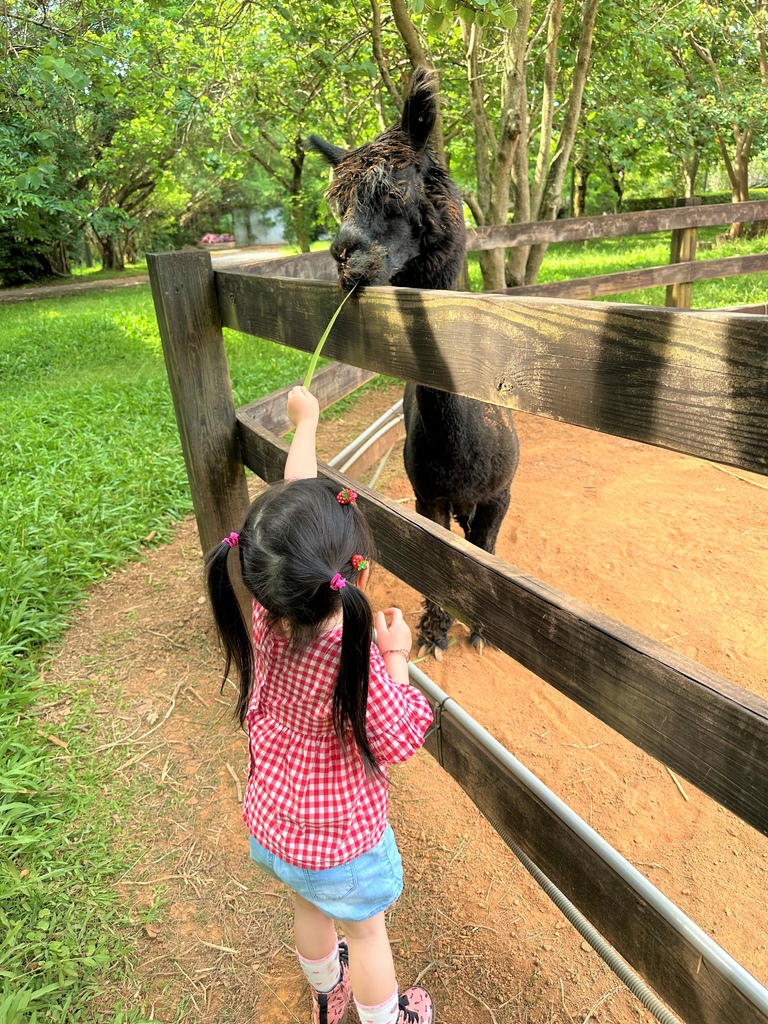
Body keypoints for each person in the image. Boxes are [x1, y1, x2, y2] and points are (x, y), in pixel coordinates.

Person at [205, 385, 435, 1024]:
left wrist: (304, 425)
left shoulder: (266, 611)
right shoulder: (356, 658)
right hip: (343, 841)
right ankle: (385, 1018)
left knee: (308, 909)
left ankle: (324, 992)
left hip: (274, 822)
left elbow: (294, 506)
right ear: (353, 572)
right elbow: (400, 739)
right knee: (366, 932)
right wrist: (396, 657)